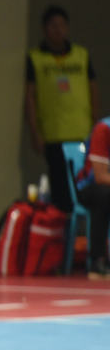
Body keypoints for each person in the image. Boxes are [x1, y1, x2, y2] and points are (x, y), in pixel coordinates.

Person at [26, 5, 100, 213]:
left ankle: (82, 226)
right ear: (44, 28)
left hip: (82, 131)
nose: (58, 29)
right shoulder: (35, 58)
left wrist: (95, 123)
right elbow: (30, 96)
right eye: (53, 25)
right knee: (59, 185)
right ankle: (61, 226)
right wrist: (35, 131)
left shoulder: (81, 55)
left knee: (85, 182)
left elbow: (93, 89)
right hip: (53, 133)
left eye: (62, 25)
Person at [75, 117, 110, 279]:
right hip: (90, 187)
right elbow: (101, 177)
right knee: (104, 194)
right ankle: (98, 261)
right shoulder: (104, 129)